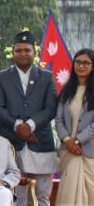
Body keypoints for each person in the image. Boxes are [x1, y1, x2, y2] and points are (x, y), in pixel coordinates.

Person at [0, 31, 57, 206]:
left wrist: (31, 125)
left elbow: (51, 108)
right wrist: (18, 125)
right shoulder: (2, 77)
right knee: (16, 197)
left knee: (42, 197)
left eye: (27, 50)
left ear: (34, 52)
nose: (23, 54)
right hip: (12, 143)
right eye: (18, 50)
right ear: (13, 52)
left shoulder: (47, 77)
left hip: (40, 141)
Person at [54, 47, 94, 205]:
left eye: (86, 63)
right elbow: (58, 119)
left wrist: (77, 141)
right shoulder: (67, 91)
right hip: (68, 151)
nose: (81, 66)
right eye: (78, 62)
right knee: (68, 195)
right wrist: (67, 140)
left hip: (89, 152)